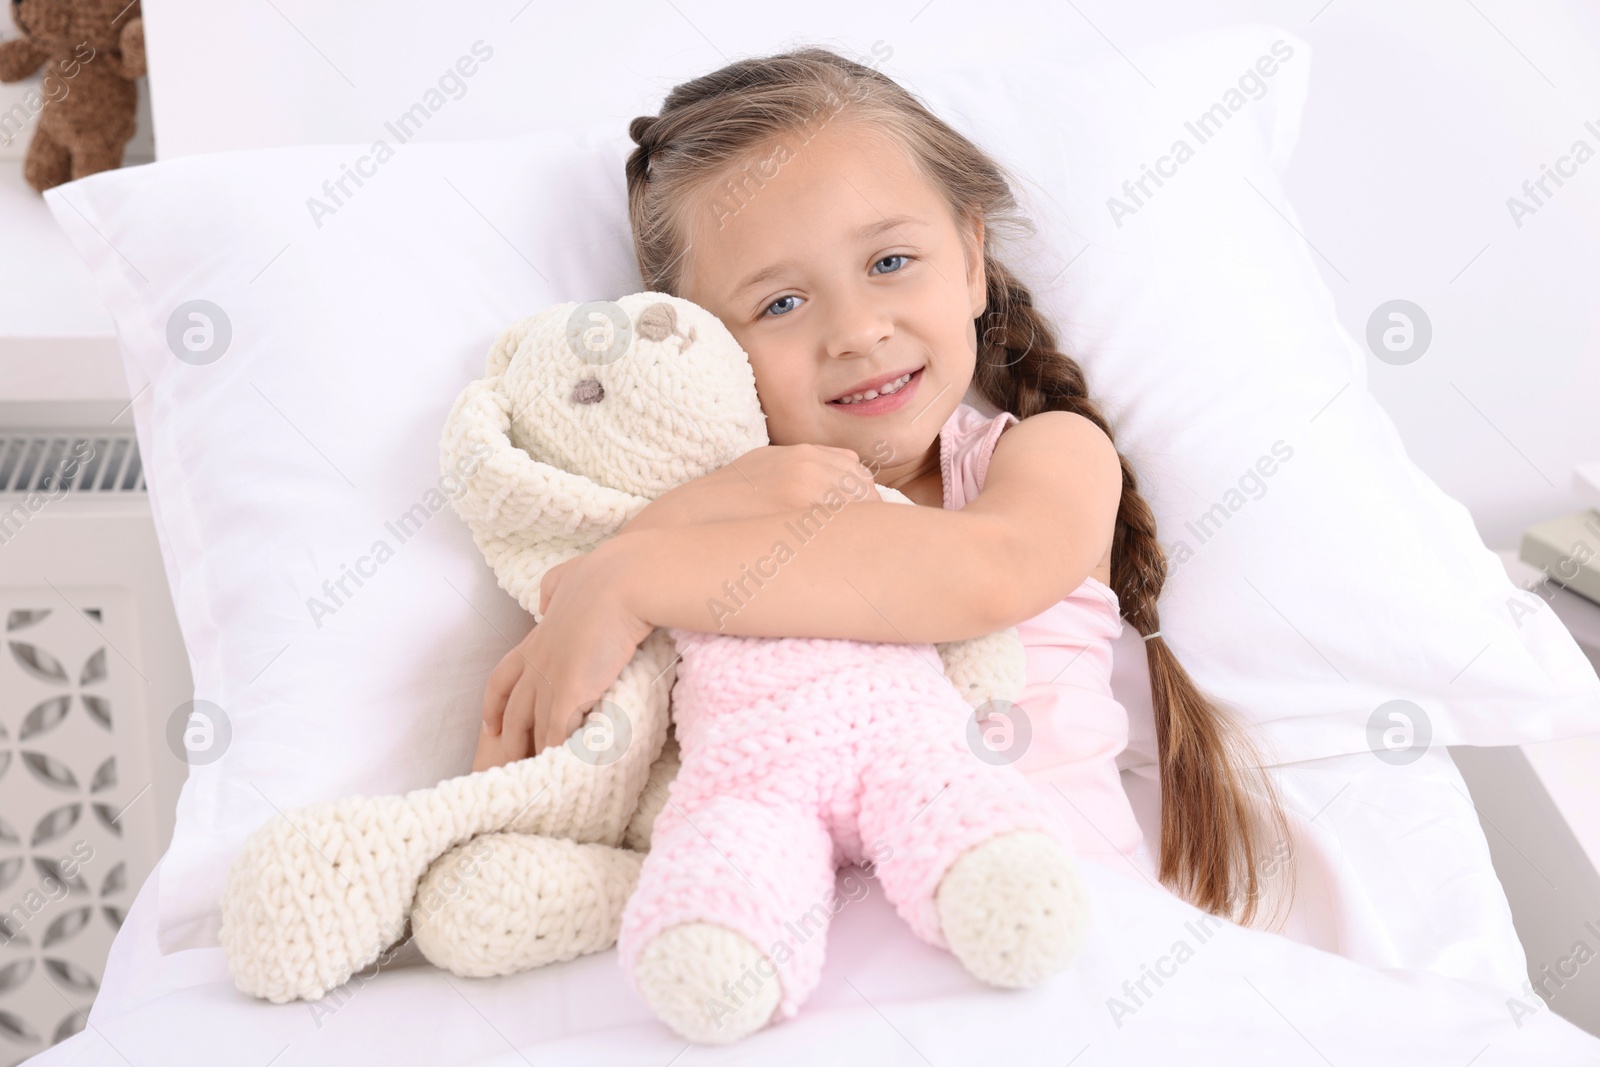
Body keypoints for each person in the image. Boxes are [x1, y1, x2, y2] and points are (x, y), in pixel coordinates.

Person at [474, 46, 1288, 925]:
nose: (857, 331)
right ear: (704, 343)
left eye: (890, 261)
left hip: (1050, 940)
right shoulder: (675, 530)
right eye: (780, 304)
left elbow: (986, 574)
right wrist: (647, 548)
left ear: (971, 258)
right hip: (788, 972)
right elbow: (536, 785)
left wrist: (632, 577)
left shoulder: (1044, 459)